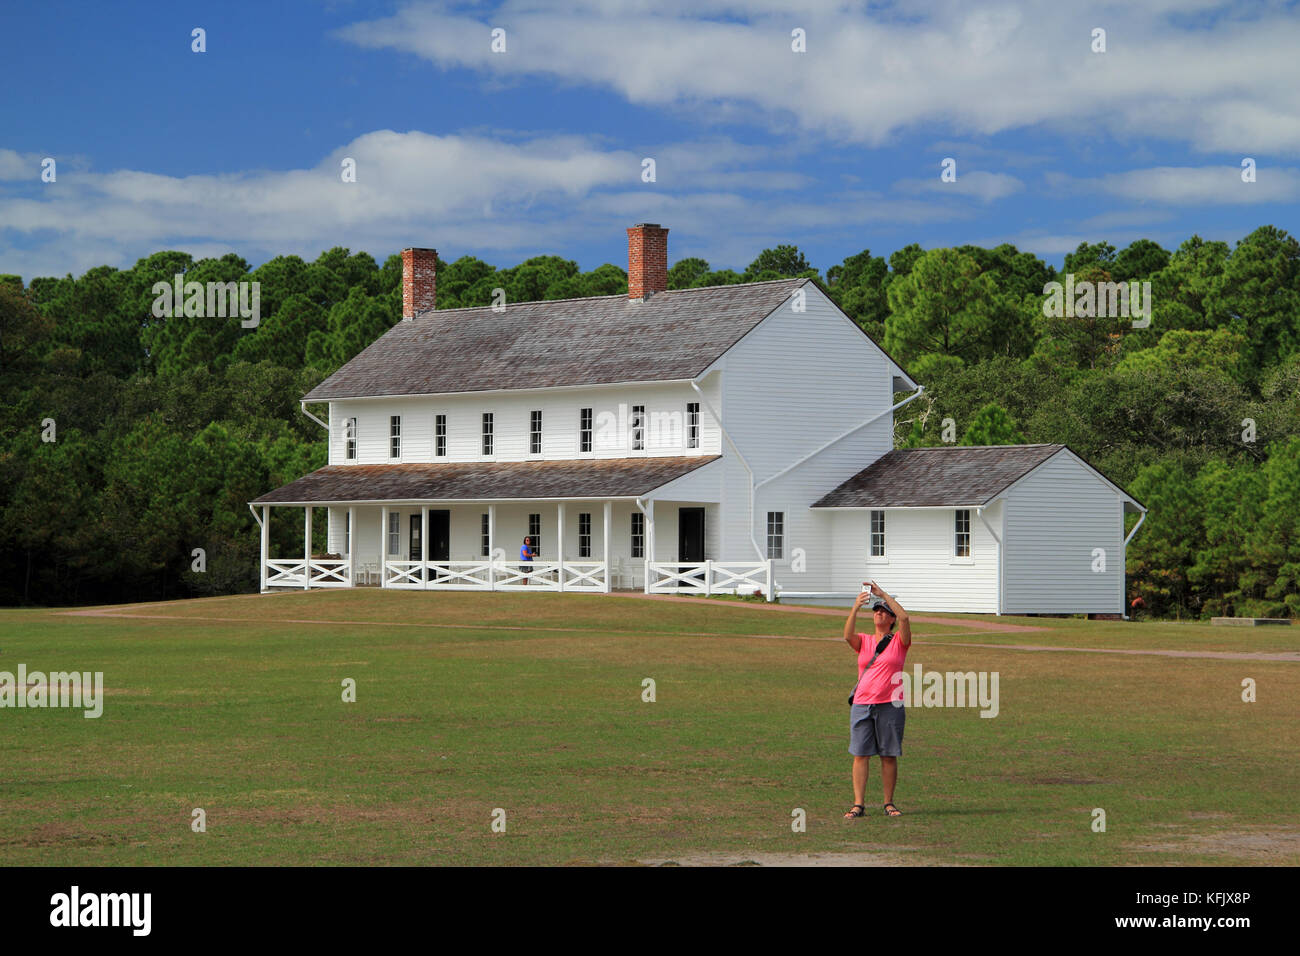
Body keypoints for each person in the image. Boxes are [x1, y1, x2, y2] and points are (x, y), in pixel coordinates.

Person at [843, 580, 911, 819]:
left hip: (890, 705)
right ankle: (858, 804)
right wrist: (855, 607)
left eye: (884, 612)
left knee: (888, 755)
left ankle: (888, 803)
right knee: (860, 754)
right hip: (863, 703)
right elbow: (847, 635)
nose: (879, 613)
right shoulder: (864, 641)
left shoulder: (899, 643)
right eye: (877, 610)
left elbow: (905, 619)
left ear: (891, 619)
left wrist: (883, 594)